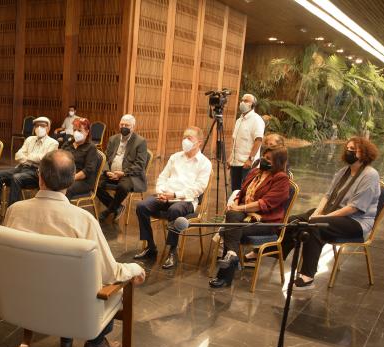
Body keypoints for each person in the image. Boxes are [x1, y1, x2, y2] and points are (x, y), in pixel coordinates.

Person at [4, 149, 146, 347]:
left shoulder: (14, 211)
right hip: (73, 310)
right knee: (113, 285)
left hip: (23, 305)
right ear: (71, 182)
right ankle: (96, 342)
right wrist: (135, 269)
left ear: (39, 177)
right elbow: (110, 273)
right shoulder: (83, 220)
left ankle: (68, 339)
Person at [278, 137, 381, 290]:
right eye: (348, 148)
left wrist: (323, 218)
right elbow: (327, 196)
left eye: (353, 149)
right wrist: (317, 213)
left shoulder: (370, 175)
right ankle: (275, 253)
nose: (349, 151)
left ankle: (308, 276)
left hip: (356, 221)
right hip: (335, 213)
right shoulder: (343, 172)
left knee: (315, 226)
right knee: (295, 220)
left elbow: (354, 208)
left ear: (364, 153)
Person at [209, 147, 290, 288]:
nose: (264, 160)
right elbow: (242, 192)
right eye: (264, 156)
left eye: (269, 159)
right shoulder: (254, 172)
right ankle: (232, 255)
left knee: (230, 230)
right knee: (231, 217)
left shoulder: (281, 179)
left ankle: (224, 276)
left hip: (266, 222)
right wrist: (235, 202)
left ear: (278, 162)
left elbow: (264, 204)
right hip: (245, 216)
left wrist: (239, 208)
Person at [135, 126, 211, 268]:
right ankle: (151, 246)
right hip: (165, 196)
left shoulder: (205, 163)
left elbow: (198, 188)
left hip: (185, 200)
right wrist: (161, 192)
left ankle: (172, 250)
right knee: (142, 206)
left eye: (189, 138)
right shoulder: (175, 157)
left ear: (199, 142)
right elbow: (162, 177)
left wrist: (175, 195)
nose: (185, 141)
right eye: (184, 137)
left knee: (175, 210)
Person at [0, 116, 58, 223]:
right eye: (37, 126)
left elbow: (43, 158)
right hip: (22, 168)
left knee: (16, 178)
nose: (39, 128)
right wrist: (31, 158)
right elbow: (18, 155)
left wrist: (27, 157)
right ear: (34, 128)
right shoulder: (29, 139)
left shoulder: (53, 143)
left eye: (42, 126)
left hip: (36, 173)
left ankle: (12, 214)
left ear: (48, 128)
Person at [96, 114, 148, 222]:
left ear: (133, 127)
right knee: (96, 185)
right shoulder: (113, 139)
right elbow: (105, 157)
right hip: (111, 173)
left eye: (127, 125)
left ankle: (109, 210)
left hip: (129, 175)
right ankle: (117, 207)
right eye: (122, 124)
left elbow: (140, 164)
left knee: (123, 187)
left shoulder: (140, 141)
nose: (123, 127)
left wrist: (122, 173)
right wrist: (107, 171)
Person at [228, 94, 264, 191]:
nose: (242, 102)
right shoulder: (239, 120)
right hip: (235, 163)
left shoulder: (257, 120)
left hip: (248, 164)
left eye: (246, 101)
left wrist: (250, 159)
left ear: (253, 104)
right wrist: (231, 157)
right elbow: (235, 140)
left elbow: (258, 140)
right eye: (242, 100)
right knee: (235, 191)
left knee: (245, 191)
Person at [61, 117, 100, 199]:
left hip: (83, 180)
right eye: (74, 130)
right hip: (66, 176)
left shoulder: (91, 147)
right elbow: (59, 158)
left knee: (65, 189)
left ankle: (62, 211)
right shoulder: (68, 143)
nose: (76, 133)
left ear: (87, 132)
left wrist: (71, 178)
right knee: (50, 184)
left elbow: (88, 170)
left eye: (79, 130)